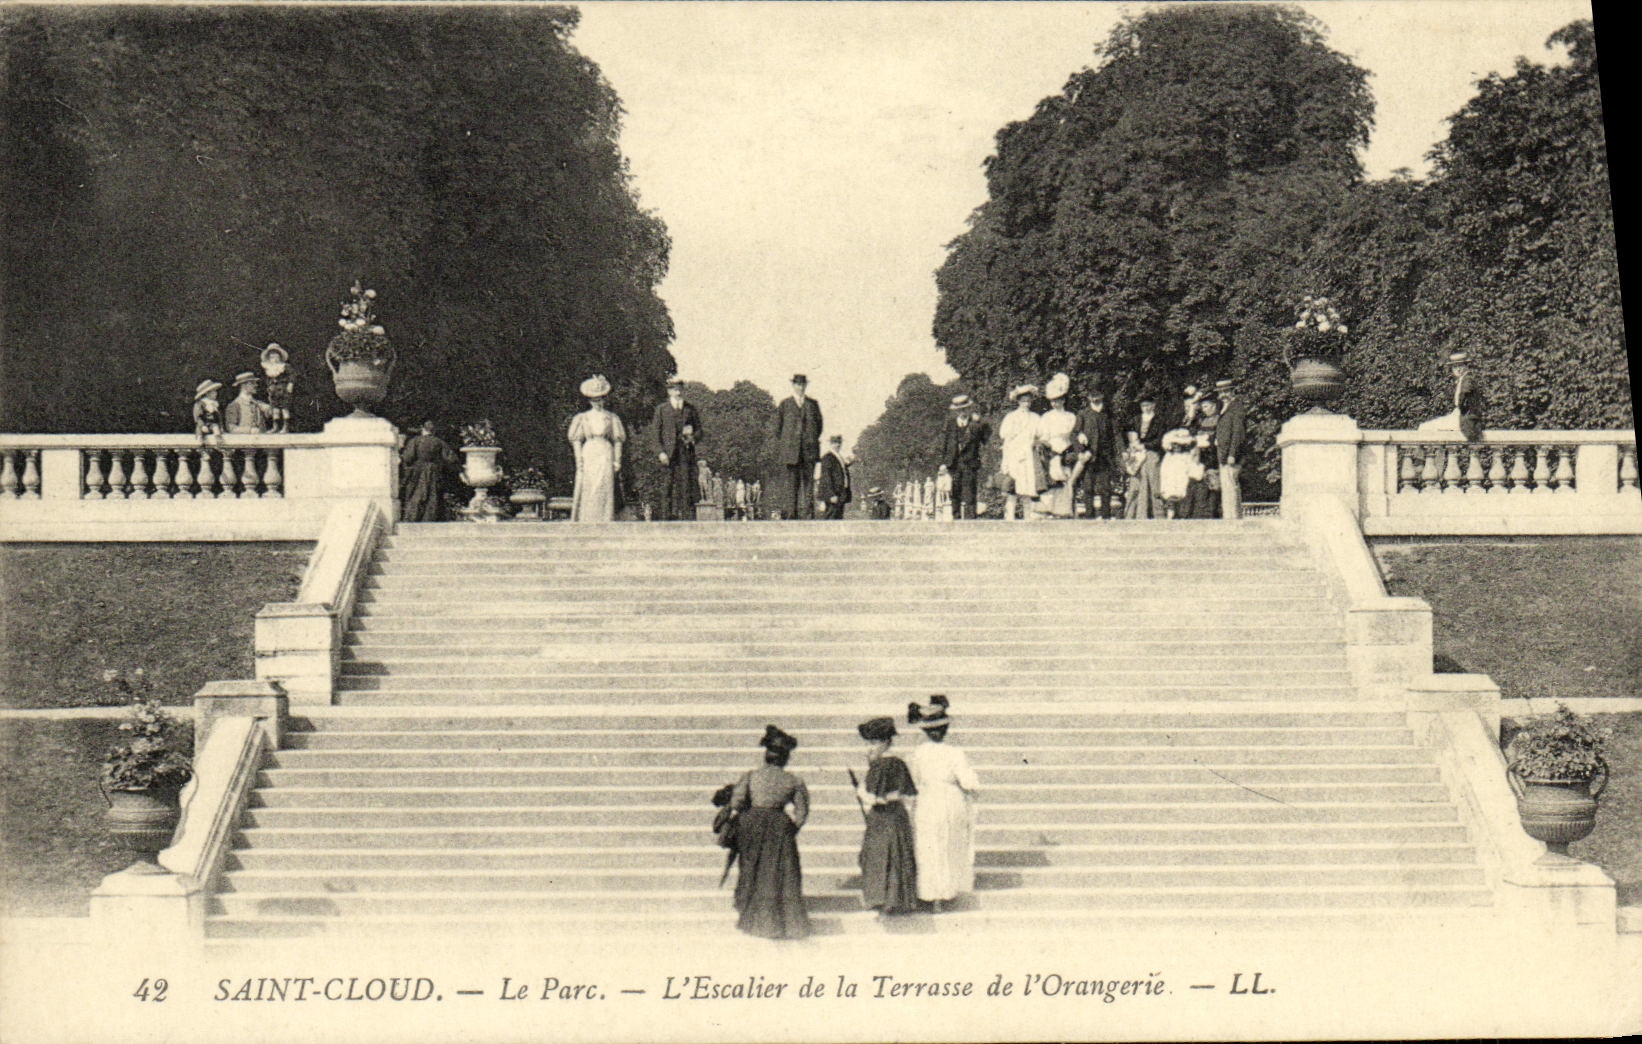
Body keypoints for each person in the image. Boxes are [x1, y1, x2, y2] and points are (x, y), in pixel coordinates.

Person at [730, 725, 810, 939]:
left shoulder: (751, 775)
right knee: (781, 873)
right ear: (785, 759)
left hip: (752, 824)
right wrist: (790, 829)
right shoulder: (794, 781)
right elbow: (802, 812)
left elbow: (737, 802)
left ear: (766, 756)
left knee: (751, 868)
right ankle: (784, 923)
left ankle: (750, 915)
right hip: (780, 827)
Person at [906, 696, 979, 912]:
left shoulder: (917, 754)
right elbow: (968, 781)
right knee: (948, 844)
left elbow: (913, 780)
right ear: (945, 730)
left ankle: (930, 894)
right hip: (949, 800)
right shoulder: (955, 753)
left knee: (928, 847)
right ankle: (946, 891)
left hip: (928, 800)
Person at [853, 716, 918, 917]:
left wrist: (861, 790)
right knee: (898, 855)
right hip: (898, 815)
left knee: (878, 857)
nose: (870, 748)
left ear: (885, 742)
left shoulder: (880, 765)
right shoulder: (899, 762)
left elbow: (873, 798)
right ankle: (900, 900)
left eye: (874, 743)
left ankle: (880, 900)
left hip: (882, 818)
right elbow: (908, 793)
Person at [568, 374, 626, 522]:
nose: (597, 403)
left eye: (600, 399)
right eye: (594, 400)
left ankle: (606, 518)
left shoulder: (611, 417)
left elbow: (618, 440)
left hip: (605, 452)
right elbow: (576, 440)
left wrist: (617, 460)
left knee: (604, 486)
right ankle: (587, 519)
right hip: (589, 452)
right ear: (589, 401)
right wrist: (579, 459)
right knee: (589, 486)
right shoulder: (582, 418)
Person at [766, 374, 823, 520]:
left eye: (803, 384)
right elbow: (777, 429)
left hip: (808, 452)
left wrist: (809, 441)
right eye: (798, 384)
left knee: (809, 485)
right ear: (793, 386)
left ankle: (809, 516)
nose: (800, 387)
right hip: (791, 453)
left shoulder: (813, 404)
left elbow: (819, 427)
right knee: (791, 486)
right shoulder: (785, 405)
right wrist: (789, 444)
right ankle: (791, 516)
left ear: (806, 386)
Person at [651, 376, 701, 521]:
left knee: (686, 485)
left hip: (685, 452)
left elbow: (699, 431)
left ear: (682, 390)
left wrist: (693, 438)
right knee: (667, 485)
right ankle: (666, 519)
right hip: (668, 453)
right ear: (669, 392)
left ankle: (687, 519)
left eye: (679, 389)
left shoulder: (690, 409)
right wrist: (660, 452)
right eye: (674, 390)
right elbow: (655, 434)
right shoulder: (661, 410)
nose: (677, 393)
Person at [1072, 387, 1120, 519]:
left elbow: (1116, 435)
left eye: (1098, 397)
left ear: (1102, 397)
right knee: (1088, 488)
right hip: (1089, 457)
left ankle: (1106, 516)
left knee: (1105, 488)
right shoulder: (1083, 414)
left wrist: (1120, 453)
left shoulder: (1108, 415)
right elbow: (1075, 433)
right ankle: (1089, 516)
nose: (1095, 400)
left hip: (1105, 457)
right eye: (1093, 397)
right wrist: (1081, 450)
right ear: (1088, 399)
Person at [939, 394, 989, 520]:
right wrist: (943, 463)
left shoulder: (975, 424)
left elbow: (986, 439)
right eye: (959, 409)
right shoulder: (950, 423)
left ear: (969, 409)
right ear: (956, 411)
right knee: (954, 491)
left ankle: (970, 519)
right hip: (954, 462)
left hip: (970, 462)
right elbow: (945, 443)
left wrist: (980, 422)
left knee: (970, 491)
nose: (962, 411)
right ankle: (955, 517)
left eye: (965, 409)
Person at [1037, 373, 1080, 518]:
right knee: (1053, 481)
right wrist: (1050, 449)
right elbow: (1043, 437)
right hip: (1052, 451)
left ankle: (1066, 511)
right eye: (1053, 401)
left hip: (1067, 450)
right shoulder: (1046, 417)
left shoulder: (1071, 417)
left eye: (1058, 400)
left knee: (1067, 481)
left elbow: (1074, 435)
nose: (1055, 403)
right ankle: (1051, 510)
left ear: (1063, 400)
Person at [998, 384, 1042, 521]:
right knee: (1012, 485)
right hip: (1014, 454)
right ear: (1018, 401)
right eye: (1023, 401)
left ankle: (1027, 517)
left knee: (1027, 487)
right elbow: (1004, 437)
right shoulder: (1011, 417)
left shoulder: (1035, 417)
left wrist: (1036, 442)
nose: (1026, 404)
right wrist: (1005, 460)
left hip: (1028, 455)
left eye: (1028, 401)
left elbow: (1041, 434)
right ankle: (1010, 517)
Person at [400, 420, 458, 522]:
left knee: (416, 493)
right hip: (434, 471)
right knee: (433, 494)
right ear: (433, 430)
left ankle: (413, 518)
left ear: (423, 429)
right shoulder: (439, 442)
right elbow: (450, 458)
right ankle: (430, 518)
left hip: (418, 471)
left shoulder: (415, 441)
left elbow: (408, 457)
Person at [1124, 390, 1166, 519]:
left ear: (1153, 405)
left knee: (1154, 484)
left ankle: (1158, 515)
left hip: (1152, 453)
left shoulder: (1159, 419)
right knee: (1137, 484)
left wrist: (1145, 446)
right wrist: (1132, 446)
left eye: (1148, 405)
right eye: (1143, 406)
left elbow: (1160, 440)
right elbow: (1128, 435)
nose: (1146, 408)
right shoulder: (1136, 419)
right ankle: (1136, 515)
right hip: (1137, 454)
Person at [1213, 378, 1249, 520]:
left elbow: (1238, 432)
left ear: (1232, 391)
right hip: (1223, 453)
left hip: (1231, 455)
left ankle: (1233, 518)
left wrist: (1232, 453)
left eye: (1225, 391)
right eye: (1221, 392)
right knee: (1227, 487)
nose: (1223, 395)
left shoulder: (1236, 407)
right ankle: (1230, 517)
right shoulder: (1225, 408)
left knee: (1231, 487)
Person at [1158, 429, 1205, 519]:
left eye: (1179, 444)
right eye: (1174, 444)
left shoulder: (1186, 457)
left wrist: (1196, 461)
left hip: (1183, 485)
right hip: (1170, 484)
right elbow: (1164, 472)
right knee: (1170, 502)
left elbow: (1195, 473)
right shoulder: (1168, 457)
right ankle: (1170, 513)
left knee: (1184, 503)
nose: (1176, 447)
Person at [1187, 396, 1222, 519]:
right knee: (1201, 489)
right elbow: (1190, 429)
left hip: (1213, 458)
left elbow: (1220, 439)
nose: (1204, 409)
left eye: (1206, 406)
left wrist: (1209, 442)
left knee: (1214, 488)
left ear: (1213, 406)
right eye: (1202, 407)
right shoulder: (1201, 421)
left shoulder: (1219, 419)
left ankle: (1213, 514)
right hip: (1202, 459)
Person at [260, 343, 296, 434]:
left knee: (284, 408)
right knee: (275, 409)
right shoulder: (269, 368)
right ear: (269, 358)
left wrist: (290, 384)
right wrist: (269, 387)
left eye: (276, 356)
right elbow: (268, 379)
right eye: (272, 357)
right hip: (273, 391)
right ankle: (275, 427)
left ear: (280, 357)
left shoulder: (284, 367)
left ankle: (285, 427)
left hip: (283, 389)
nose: (274, 359)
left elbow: (292, 375)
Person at [816, 435, 851, 519]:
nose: (838, 445)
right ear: (831, 444)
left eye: (839, 442)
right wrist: (831, 494)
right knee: (831, 517)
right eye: (835, 442)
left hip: (841, 492)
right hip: (833, 494)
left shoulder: (839, 457)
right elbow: (826, 477)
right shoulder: (827, 457)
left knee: (838, 517)